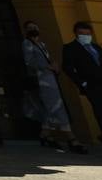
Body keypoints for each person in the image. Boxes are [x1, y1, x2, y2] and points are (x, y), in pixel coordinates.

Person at [61, 20, 102, 161]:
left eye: (88, 33)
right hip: (92, 87)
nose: (85, 36)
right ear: (76, 34)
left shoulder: (97, 48)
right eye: (82, 33)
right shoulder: (70, 48)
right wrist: (82, 84)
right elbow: (68, 68)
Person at [21, 20, 85, 154]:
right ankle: (71, 138)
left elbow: (46, 59)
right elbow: (29, 62)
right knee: (56, 107)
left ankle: (45, 135)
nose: (33, 29)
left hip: (50, 79)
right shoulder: (27, 43)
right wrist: (46, 66)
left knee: (50, 108)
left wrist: (54, 66)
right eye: (30, 28)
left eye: (35, 27)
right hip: (41, 80)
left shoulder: (42, 44)